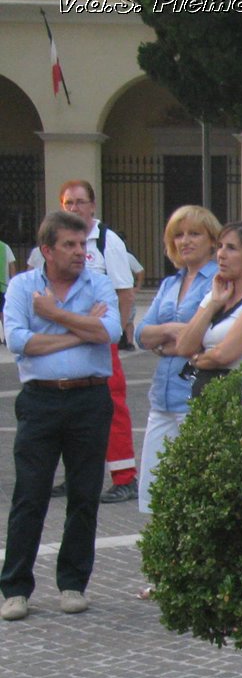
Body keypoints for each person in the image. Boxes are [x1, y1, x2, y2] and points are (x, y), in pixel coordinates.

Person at [1, 211, 120, 621]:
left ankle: (73, 583)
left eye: (82, 245)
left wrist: (53, 317)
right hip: (41, 401)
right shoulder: (22, 286)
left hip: (89, 399)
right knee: (30, 495)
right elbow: (17, 340)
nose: (79, 253)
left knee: (84, 494)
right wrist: (79, 331)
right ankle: (15, 588)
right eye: (69, 245)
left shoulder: (97, 282)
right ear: (46, 250)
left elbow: (110, 332)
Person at [28, 182, 140, 502]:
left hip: (98, 341)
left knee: (112, 406)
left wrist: (114, 333)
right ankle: (72, 474)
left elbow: (124, 291)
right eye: (68, 203)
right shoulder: (50, 244)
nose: (74, 208)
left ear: (92, 205)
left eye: (80, 202)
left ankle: (124, 476)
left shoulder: (108, 241)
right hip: (62, 340)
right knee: (67, 408)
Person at [134, 205, 219, 513]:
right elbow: (141, 334)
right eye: (179, 235)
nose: (185, 241)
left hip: (194, 396)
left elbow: (205, 336)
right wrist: (171, 330)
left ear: (212, 240)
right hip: (162, 399)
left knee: (192, 497)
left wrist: (175, 341)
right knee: (153, 495)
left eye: (194, 233)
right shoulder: (170, 284)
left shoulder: (218, 281)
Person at [170, 221, 242, 399]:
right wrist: (214, 305)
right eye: (219, 247)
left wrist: (195, 360)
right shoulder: (216, 294)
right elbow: (183, 345)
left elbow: (223, 355)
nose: (221, 255)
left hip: (236, 395)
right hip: (205, 394)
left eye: (231, 248)